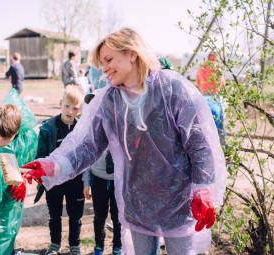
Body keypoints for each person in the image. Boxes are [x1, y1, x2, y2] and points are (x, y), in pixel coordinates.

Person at [17, 28, 227, 255]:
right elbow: (88, 146)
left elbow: (199, 144)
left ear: (132, 54)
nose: (104, 68)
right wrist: (52, 165)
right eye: (101, 63)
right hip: (137, 201)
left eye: (108, 60)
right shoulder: (109, 100)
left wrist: (203, 189)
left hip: (179, 201)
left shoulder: (172, 89)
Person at [35, 85, 85, 255]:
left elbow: (86, 156)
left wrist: (86, 181)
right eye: (67, 106)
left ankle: (74, 245)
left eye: (75, 108)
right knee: (54, 215)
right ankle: (55, 244)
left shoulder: (82, 129)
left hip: (75, 182)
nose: (70, 111)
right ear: (61, 103)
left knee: (75, 216)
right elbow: (40, 154)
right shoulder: (48, 128)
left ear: (80, 109)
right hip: (54, 183)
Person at [0, 102, 38, 255]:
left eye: (6, 139)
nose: (0, 142)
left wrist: (20, 178)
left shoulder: (25, 139)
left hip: (8, 193)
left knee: (4, 229)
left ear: (16, 132)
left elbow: (26, 163)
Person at [82, 93, 122, 255]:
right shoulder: (91, 132)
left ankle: (118, 246)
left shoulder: (120, 129)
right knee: (99, 216)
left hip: (117, 181)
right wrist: (86, 183)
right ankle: (99, 245)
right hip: (98, 180)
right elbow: (86, 160)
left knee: (118, 217)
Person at [195, 52, 227, 146]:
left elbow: (197, 81)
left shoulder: (201, 67)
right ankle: (223, 146)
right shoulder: (217, 67)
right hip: (214, 97)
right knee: (220, 124)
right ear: (215, 58)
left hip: (203, 97)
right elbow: (222, 83)